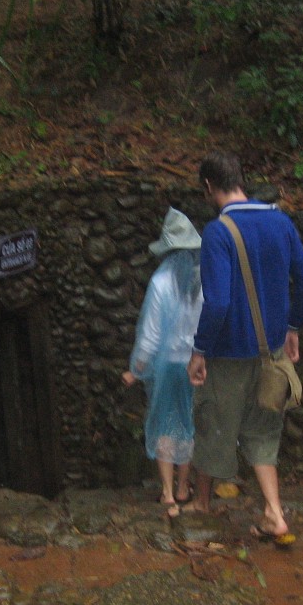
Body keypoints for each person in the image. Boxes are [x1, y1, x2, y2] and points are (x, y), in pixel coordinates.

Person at [186, 151, 303, 541]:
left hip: (228, 354)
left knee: (213, 422)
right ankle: (274, 513)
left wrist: (199, 350)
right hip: (272, 352)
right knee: (263, 431)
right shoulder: (281, 222)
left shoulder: (217, 233)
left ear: (209, 187)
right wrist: (293, 326)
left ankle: (202, 503)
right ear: (240, 179)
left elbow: (220, 302)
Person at [123, 207, 204, 515]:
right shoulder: (202, 282)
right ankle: (184, 487)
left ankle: (168, 493)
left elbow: (150, 334)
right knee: (188, 423)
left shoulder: (160, 282)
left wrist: (137, 369)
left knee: (163, 425)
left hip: (168, 365)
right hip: (196, 363)